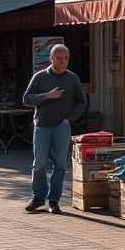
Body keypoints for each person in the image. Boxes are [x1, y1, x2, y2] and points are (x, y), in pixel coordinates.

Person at [22, 43, 88, 214]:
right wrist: (47, 96)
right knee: (39, 164)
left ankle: (54, 201)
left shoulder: (72, 78)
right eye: (60, 58)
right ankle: (38, 198)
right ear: (51, 58)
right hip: (42, 126)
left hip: (62, 127)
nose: (63, 62)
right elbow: (26, 99)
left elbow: (82, 101)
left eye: (66, 58)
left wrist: (69, 119)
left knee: (59, 165)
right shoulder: (40, 77)